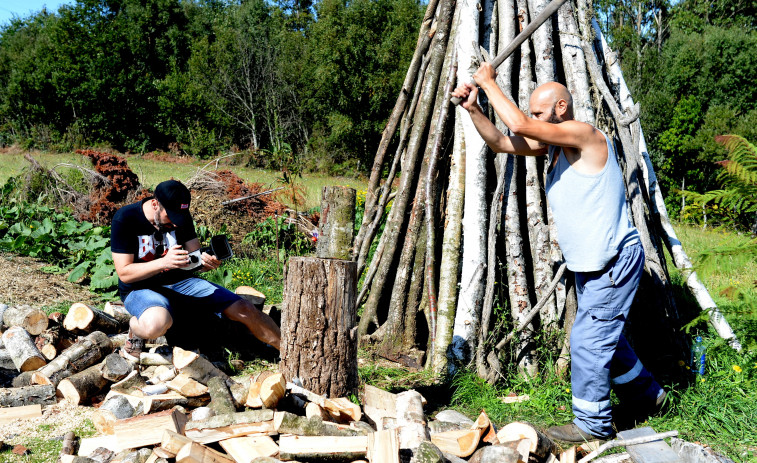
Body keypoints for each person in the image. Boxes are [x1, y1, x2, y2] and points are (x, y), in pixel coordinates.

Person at [451, 64, 665, 442]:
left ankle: (592, 427)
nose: (533, 118)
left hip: (613, 260)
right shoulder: (554, 147)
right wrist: (474, 109)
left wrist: (487, 82)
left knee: (587, 341)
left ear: (561, 108)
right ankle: (649, 397)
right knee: (605, 340)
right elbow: (502, 142)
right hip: (592, 265)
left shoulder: (585, 135)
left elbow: (518, 126)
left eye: (539, 112)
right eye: (532, 112)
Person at [110, 179, 281, 362]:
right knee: (156, 324)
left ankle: (288, 350)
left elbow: (194, 253)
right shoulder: (126, 218)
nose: (176, 224)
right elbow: (124, 272)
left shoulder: (180, 216)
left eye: (179, 218)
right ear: (155, 204)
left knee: (244, 308)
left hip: (180, 281)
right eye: (171, 217)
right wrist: (163, 262)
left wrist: (203, 262)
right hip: (140, 287)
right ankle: (136, 327)